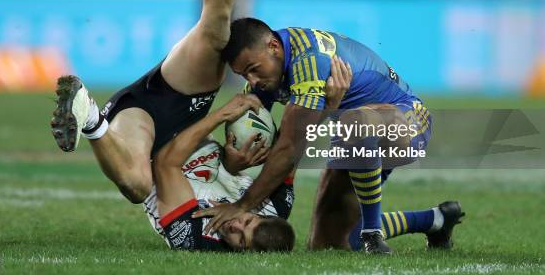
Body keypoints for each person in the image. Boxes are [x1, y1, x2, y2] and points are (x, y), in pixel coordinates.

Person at [50, 0, 272, 205]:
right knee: (216, 26)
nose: (250, 81)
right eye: (250, 71)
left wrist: (230, 159)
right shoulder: (250, 75)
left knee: (138, 187)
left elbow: (187, 153)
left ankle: (89, 116)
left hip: (173, 120)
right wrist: (224, 117)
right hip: (153, 105)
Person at [193, 18, 464, 254]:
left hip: (409, 121)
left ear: (273, 47)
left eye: (253, 69)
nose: (251, 81)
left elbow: (290, 148)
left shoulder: (309, 62)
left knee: (354, 121)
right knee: (329, 242)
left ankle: (372, 234)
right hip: (353, 138)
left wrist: (242, 205)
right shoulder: (269, 72)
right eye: (243, 74)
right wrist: (235, 161)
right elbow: (278, 143)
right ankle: (436, 220)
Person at [146, 93, 295, 251]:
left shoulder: (195, 238)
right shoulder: (275, 208)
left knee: (135, 180)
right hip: (193, 118)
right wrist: (228, 165)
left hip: (152, 140)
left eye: (241, 240)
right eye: (247, 221)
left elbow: (164, 163)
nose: (235, 227)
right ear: (260, 215)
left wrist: (223, 113)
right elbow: (294, 140)